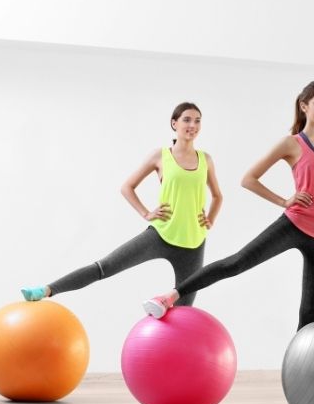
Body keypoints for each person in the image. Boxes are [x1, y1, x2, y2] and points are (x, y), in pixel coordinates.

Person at [143, 80, 314, 331]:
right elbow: (249, 179)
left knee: (309, 314)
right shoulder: (292, 144)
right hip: (294, 225)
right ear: (304, 106)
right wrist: (285, 200)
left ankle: (296, 370)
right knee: (237, 263)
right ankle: (169, 297)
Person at [20, 102, 222, 306]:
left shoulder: (206, 159)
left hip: (193, 243)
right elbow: (128, 187)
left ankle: (159, 311)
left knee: (184, 306)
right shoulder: (160, 156)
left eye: (197, 121)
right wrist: (146, 213)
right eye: (187, 119)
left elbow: (217, 196)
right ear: (174, 123)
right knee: (106, 266)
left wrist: (210, 219)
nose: (192, 125)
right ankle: (46, 290)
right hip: (161, 234)